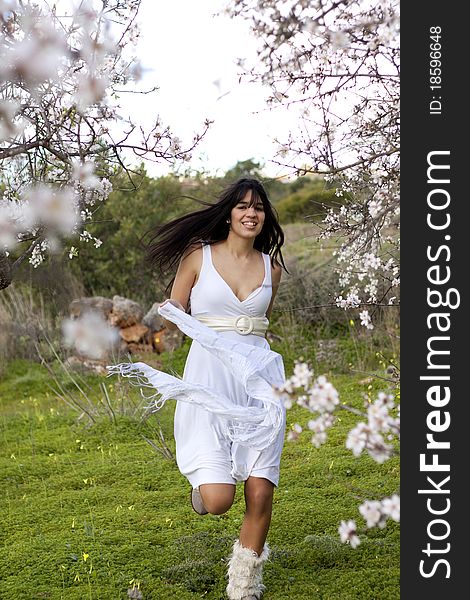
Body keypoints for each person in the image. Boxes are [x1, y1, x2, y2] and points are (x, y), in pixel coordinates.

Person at [108, 178, 288, 600]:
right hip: (208, 377)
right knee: (220, 499)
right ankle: (203, 493)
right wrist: (169, 316)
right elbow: (174, 315)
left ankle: (243, 589)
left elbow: (260, 326)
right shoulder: (197, 258)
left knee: (260, 490)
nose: (251, 213)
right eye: (243, 206)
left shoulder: (271, 268)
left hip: (259, 383)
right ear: (229, 213)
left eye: (258, 208)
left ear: (265, 217)